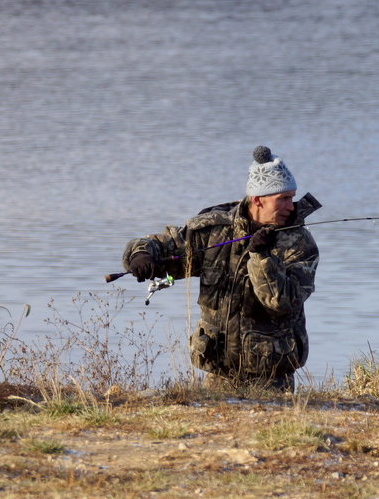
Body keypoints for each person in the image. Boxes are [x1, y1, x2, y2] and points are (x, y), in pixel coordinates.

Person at [121, 146, 320, 390]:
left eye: (292, 197)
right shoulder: (214, 229)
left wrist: (261, 256)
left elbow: (281, 301)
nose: (292, 206)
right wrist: (140, 255)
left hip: (271, 374)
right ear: (257, 199)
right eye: (284, 199)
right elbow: (160, 244)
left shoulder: (299, 243)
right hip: (217, 370)